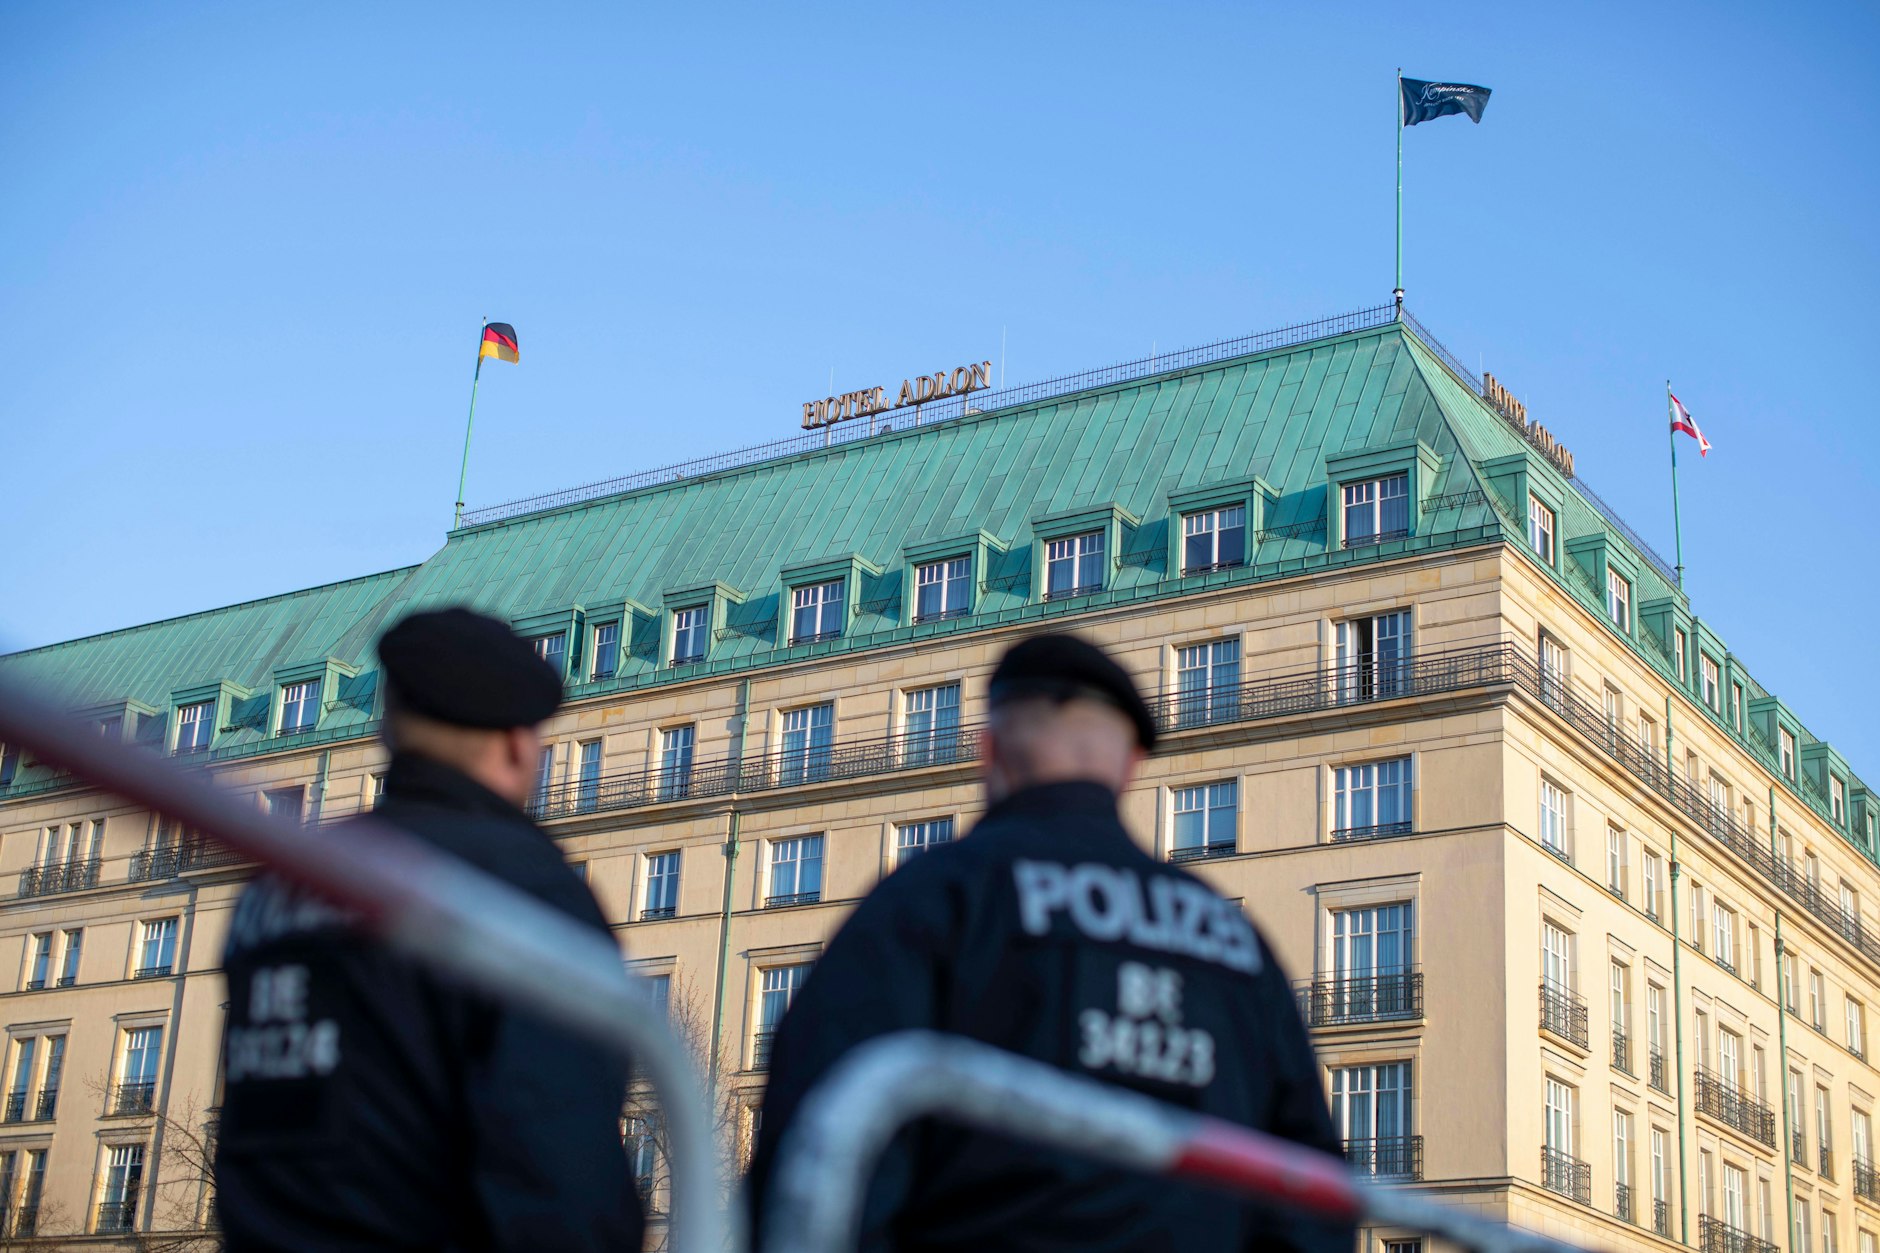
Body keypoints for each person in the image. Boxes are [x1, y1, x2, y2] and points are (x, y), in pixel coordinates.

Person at [745, 632, 1351, 1253]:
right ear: (1129, 767)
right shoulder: (1234, 941)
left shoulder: (935, 899)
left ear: (990, 750)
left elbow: (820, 1144)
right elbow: (1313, 1192)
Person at [216, 608, 643, 1251]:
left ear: (390, 724)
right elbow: (559, 1155)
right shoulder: (514, 884)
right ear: (518, 743)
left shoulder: (276, 890)